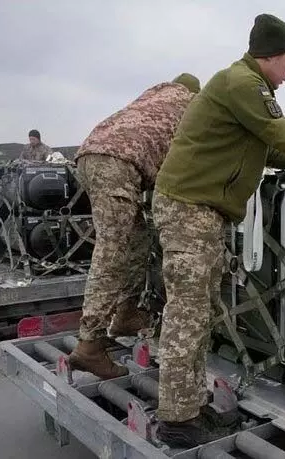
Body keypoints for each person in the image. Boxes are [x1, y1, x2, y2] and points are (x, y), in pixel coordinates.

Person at [151, 13, 285, 447]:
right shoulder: (242, 84)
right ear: (267, 57)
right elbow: (282, 134)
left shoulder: (248, 89)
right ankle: (176, 418)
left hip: (202, 212)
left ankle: (188, 406)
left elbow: (274, 151)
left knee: (202, 312)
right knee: (187, 316)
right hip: (189, 208)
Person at [68, 73, 201, 380]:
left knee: (137, 238)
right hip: (117, 162)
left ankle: (126, 312)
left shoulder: (155, 95)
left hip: (93, 154)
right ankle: (89, 346)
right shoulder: (190, 105)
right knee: (112, 251)